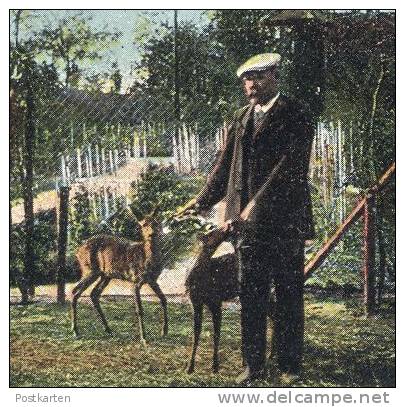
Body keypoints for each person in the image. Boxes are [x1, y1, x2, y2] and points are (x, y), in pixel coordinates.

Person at [180, 53, 315, 384]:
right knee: (250, 294)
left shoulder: (297, 115)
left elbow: (289, 169)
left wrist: (251, 208)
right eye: (246, 79)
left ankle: (289, 366)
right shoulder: (241, 118)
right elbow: (224, 167)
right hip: (246, 230)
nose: (251, 85)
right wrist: (199, 201)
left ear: (275, 76)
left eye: (258, 77)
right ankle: (253, 365)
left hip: (285, 224)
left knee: (287, 295)